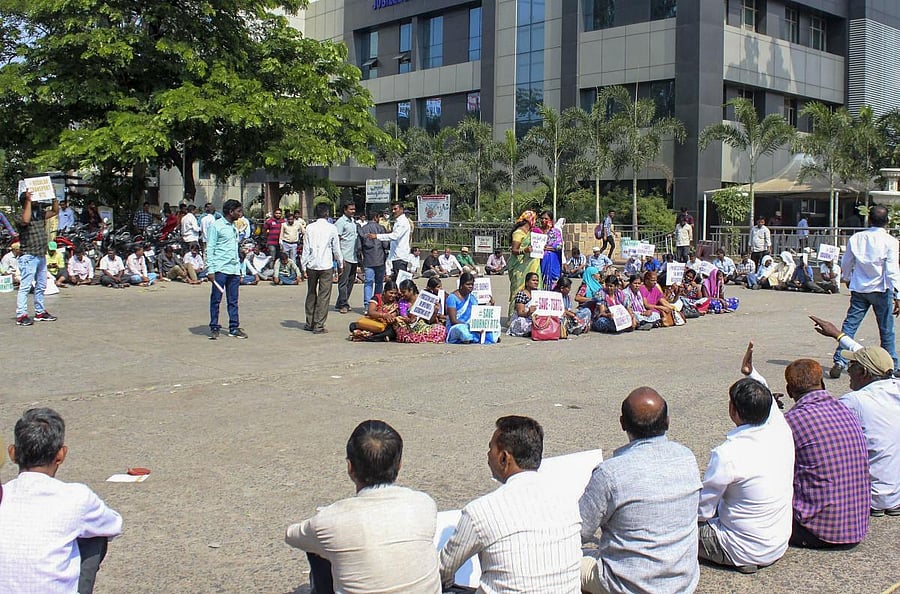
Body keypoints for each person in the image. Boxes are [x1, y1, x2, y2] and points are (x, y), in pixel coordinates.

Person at [285, 420, 441, 594]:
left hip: (331, 529)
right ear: (399, 464)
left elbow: (291, 535)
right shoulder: (424, 503)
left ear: (350, 467)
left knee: (318, 547)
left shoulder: (329, 521)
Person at [580, 388, 701, 594]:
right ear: (667, 422)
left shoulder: (610, 473)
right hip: (682, 583)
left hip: (626, 586)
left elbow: (579, 531)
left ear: (622, 423)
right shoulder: (686, 457)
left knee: (567, 560)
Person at [440, 416, 581, 593]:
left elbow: (443, 571)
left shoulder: (481, 511)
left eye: (490, 448)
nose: (487, 454)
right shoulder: (568, 501)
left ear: (504, 458)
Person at [0, 408, 123, 594]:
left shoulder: (4, 494)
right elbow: (113, 526)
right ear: (60, 455)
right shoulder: (77, 496)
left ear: (13, 453)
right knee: (94, 535)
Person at [698, 353, 795, 574]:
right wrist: (752, 373)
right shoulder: (781, 430)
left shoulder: (727, 454)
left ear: (733, 411)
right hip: (777, 542)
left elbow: (702, 511)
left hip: (738, 547)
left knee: (670, 527)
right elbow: (768, 398)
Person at [810, 315, 900, 516]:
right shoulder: (894, 385)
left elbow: (812, 423)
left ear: (865, 374)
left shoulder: (855, 401)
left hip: (870, 497)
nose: (849, 370)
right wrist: (837, 334)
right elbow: (870, 358)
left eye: (853, 367)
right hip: (896, 495)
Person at [778, 358, 870, 548]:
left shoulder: (791, 421)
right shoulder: (846, 410)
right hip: (857, 525)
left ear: (789, 391)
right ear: (822, 383)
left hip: (817, 532)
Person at [830, 205, 900, 379]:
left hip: (860, 288)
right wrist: (898, 294)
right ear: (887, 221)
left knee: (850, 325)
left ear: (869, 220)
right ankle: (891, 365)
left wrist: (846, 277)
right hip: (881, 289)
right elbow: (892, 270)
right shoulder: (890, 241)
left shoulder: (857, 238)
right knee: (886, 329)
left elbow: (846, 261)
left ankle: (840, 360)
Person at [14, 190, 58, 326]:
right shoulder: (19, 216)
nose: (37, 201)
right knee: (26, 286)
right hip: (28, 255)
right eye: (33, 199)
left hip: (40, 255)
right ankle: (21, 314)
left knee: (41, 285)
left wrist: (54, 197)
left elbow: (55, 211)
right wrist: (27, 200)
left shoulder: (39, 214)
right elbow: (26, 221)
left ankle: (40, 311)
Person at [206, 199, 247, 339]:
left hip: (234, 269)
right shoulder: (216, 226)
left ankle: (234, 327)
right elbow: (210, 248)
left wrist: (240, 267)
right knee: (216, 299)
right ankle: (214, 326)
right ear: (231, 212)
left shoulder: (234, 227)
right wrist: (210, 269)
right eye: (238, 211)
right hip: (220, 269)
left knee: (233, 300)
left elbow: (234, 249)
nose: (240, 214)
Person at [302, 202, 343, 334]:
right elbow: (336, 248)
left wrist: (303, 265)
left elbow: (306, 248)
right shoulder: (331, 228)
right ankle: (319, 325)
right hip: (326, 264)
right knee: (324, 295)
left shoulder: (309, 228)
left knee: (311, 293)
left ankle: (310, 322)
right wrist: (340, 263)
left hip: (311, 264)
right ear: (327, 213)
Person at [446, 271, 498, 344]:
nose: (470, 286)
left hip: (471, 325)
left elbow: (478, 313)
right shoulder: (452, 298)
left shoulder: (472, 298)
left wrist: (491, 305)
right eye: (468, 284)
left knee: (496, 326)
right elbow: (453, 321)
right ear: (461, 285)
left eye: (472, 284)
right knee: (462, 330)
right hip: (456, 326)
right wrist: (471, 326)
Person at [507, 210, 541, 316]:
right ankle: (514, 315)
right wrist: (524, 251)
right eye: (534, 219)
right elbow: (514, 250)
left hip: (532, 264)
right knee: (518, 289)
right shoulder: (518, 233)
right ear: (529, 220)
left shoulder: (531, 233)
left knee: (534, 288)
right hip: (519, 266)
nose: (535, 222)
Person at [368, 201, 411, 279]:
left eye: (395, 209)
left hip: (400, 256)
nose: (393, 211)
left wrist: (377, 236)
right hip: (396, 255)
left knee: (401, 281)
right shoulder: (398, 221)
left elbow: (395, 236)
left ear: (401, 209)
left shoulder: (403, 222)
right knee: (396, 279)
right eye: (392, 209)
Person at [334, 202, 359, 313]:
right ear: (345, 210)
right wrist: (339, 258)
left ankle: (341, 302)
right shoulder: (340, 222)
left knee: (351, 281)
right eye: (351, 209)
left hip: (354, 256)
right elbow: (336, 240)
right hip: (345, 256)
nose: (353, 211)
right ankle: (343, 304)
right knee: (343, 282)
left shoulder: (353, 221)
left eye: (354, 209)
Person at [359, 213, 389, 304]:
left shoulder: (363, 229)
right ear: (376, 217)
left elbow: (359, 247)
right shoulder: (381, 228)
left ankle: (367, 304)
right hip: (380, 259)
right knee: (379, 282)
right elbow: (385, 244)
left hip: (368, 259)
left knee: (368, 282)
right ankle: (377, 302)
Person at [507, 271, 539, 337]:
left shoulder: (539, 293)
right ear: (527, 283)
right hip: (524, 317)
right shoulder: (521, 295)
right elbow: (520, 313)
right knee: (522, 322)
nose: (536, 282)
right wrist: (529, 313)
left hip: (534, 318)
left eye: (537, 280)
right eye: (533, 280)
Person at [539, 210, 563, 290]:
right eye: (542, 218)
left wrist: (547, 248)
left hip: (553, 262)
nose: (543, 220)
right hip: (539, 261)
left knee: (553, 284)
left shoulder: (555, 232)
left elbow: (559, 246)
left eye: (546, 219)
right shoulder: (537, 231)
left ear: (551, 220)